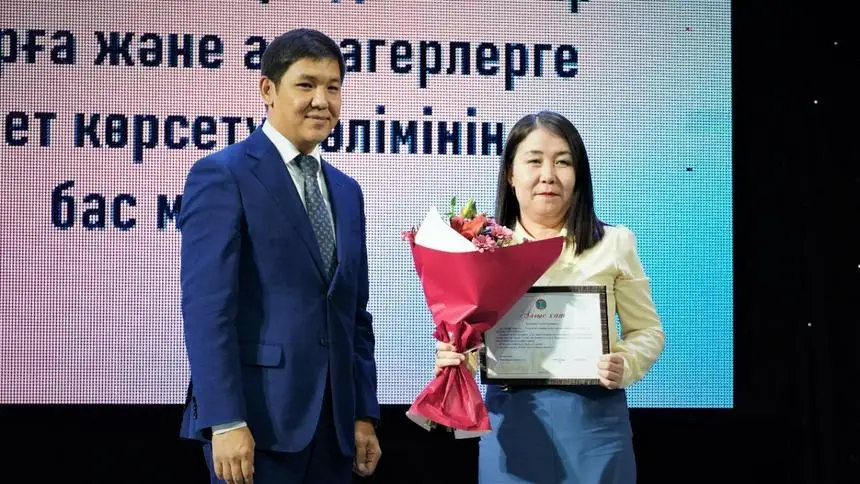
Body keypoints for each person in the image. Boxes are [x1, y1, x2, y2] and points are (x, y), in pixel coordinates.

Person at [178, 28, 381, 484]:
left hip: (334, 432)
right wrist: (225, 420)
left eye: (333, 88)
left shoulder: (347, 192)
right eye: (306, 85)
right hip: (255, 428)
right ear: (267, 90)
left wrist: (363, 413)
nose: (322, 101)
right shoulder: (223, 175)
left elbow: (354, 315)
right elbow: (208, 310)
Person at [435, 111, 665, 483]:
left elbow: (648, 331)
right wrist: (457, 357)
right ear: (511, 174)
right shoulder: (481, 251)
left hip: (595, 429)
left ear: (579, 174)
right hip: (512, 428)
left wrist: (625, 362)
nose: (548, 175)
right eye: (534, 161)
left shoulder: (615, 243)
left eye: (563, 162)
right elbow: (472, 343)